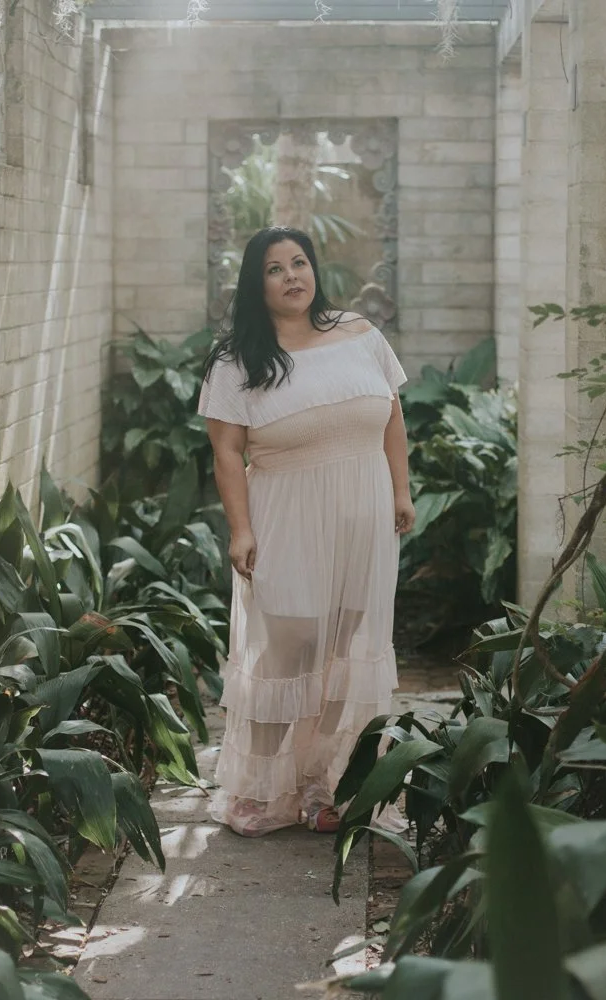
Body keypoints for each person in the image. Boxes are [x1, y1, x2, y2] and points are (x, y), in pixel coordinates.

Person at [198, 226, 415, 837]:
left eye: (300, 263)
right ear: (255, 282)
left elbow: (392, 417)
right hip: (286, 515)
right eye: (275, 268)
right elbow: (226, 452)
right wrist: (240, 530)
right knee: (287, 646)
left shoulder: (361, 334)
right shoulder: (237, 358)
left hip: (364, 516)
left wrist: (401, 491)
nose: (292, 276)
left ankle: (327, 783)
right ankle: (260, 788)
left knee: (348, 650)